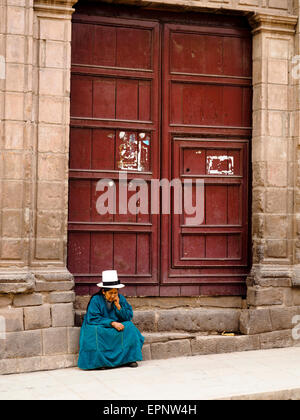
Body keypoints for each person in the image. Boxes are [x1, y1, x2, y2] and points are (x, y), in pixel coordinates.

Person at [78, 270, 144, 370]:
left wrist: (118, 306)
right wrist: (112, 323)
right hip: (101, 326)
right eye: (111, 293)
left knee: (130, 327)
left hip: (115, 325)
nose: (113, 295)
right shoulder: (96, 300)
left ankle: (129, 359)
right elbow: (93, 318)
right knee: (94, 331)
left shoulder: (120, 299)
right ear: (104, 292)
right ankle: (100, 362)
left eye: (115, 292)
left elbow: (128, 316)